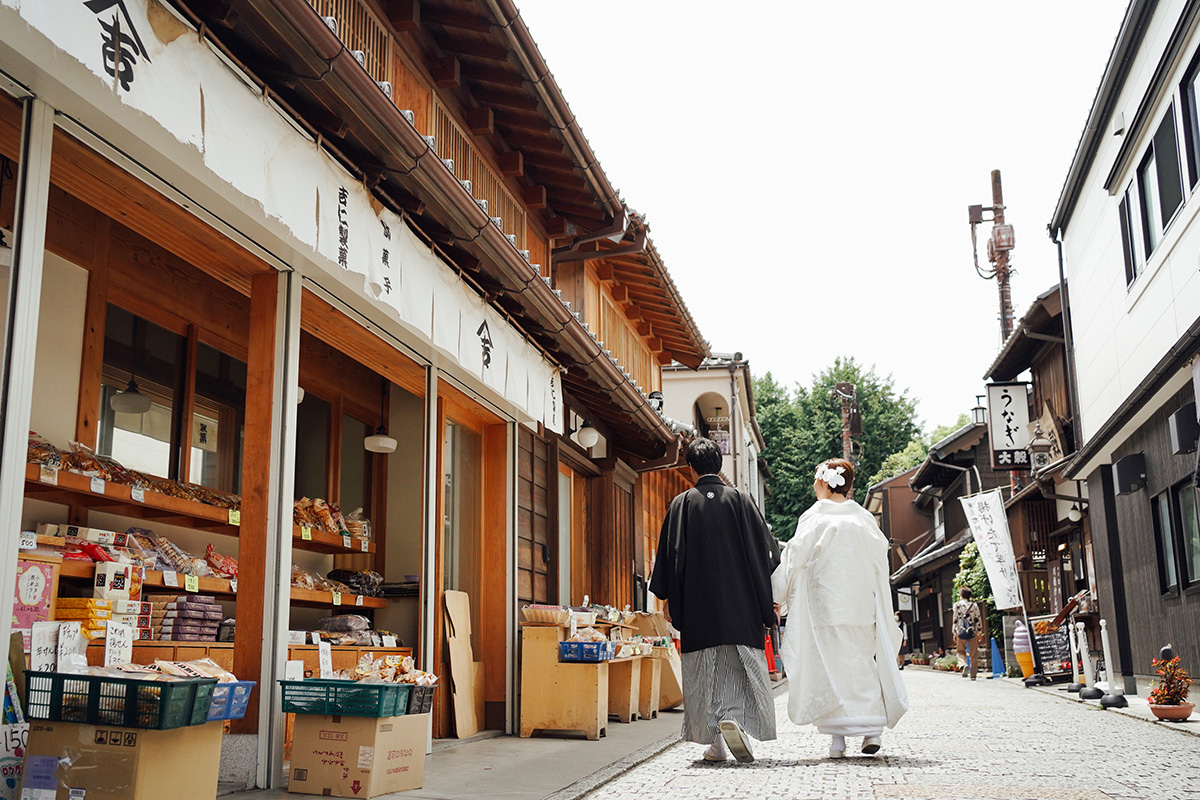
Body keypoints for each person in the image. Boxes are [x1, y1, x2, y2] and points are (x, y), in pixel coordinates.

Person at [649, 438, 780, 763]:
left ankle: (716, 744)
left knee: (704, 677)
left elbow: (669, 557)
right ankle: (736, 725)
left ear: (690, 467)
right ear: (719, 465)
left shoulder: (681, 504)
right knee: (738, 672)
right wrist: (767, 601)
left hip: (698, 611)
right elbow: (768, 553)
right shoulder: (742, 501)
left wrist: (667, 598)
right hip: (742, 608)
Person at [772, 458, 908, 758]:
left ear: (824, 481)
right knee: (861, 662)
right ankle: (872, 729)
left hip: (826, 605)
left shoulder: (815, 517)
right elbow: (878, 561)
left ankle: (838, 739)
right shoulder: (863, 519)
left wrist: (777, 593)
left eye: (815, 479)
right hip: (860, 604)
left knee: (830, 667)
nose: (812, 485)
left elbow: (794, 557)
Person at [953, 586, 982, 680]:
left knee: (960, 651)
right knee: (974, 654)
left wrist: (954, 632)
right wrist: (980, 632)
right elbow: (978, 619)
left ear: (961, 595)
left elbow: (955, 619)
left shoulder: (957, 605)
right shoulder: (974, 605)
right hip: (972, 631)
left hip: (961, 631)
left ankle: (963, 664)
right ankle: (973, 675)